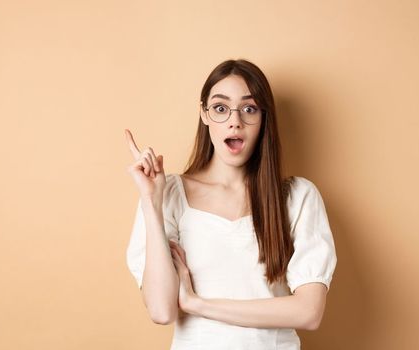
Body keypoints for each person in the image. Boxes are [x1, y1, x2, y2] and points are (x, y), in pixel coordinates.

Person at [124, 59, 337, 349]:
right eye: (221, 108)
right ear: (204, 114)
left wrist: (198, 304)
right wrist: (151, 201)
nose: (234, 120)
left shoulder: (297, 196)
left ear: (264, 117)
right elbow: (162, 310)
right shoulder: (169, 194)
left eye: (248, 109)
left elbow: (309, 312)